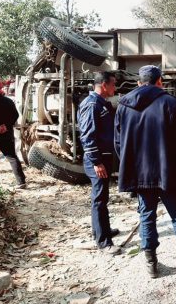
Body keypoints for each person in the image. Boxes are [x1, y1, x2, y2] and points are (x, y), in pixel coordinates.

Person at [115, 65, 176, 278]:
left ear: (139, 82)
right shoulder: (170, 103)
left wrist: (131, 167)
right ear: (160, 81)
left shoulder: (123, 105)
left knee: (146, 217)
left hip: (139, 173)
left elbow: (118, 143)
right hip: (168, 172)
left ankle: (151, 265)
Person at [78, 71, 120, 255]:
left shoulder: (101, 103)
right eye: (113, 84)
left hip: (103, 157)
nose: (115, 88)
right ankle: (103, 242)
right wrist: (96, 162)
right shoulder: (92, 104)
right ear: (104, 85)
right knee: (99, 199)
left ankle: (102, 229)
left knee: (102, 196)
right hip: (98, 160)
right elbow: (87, 135)